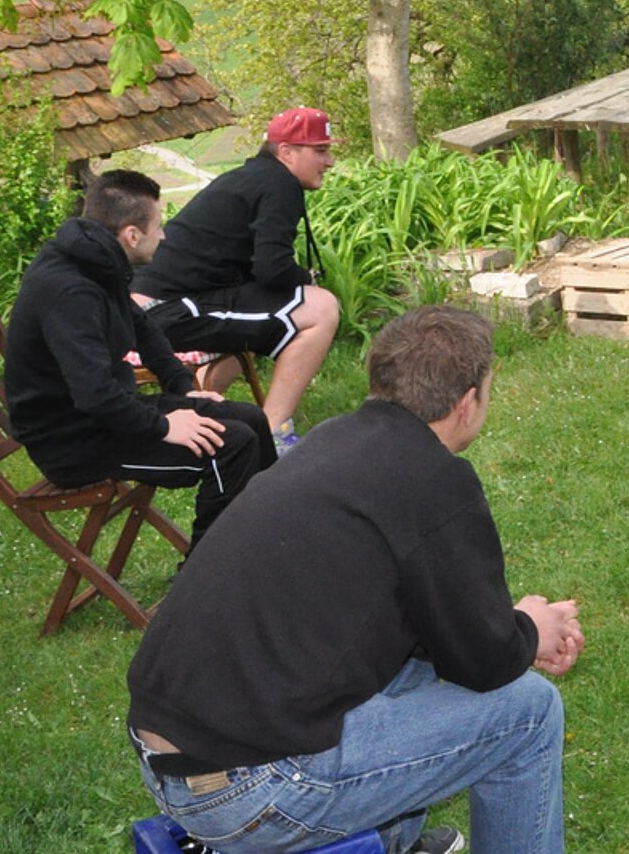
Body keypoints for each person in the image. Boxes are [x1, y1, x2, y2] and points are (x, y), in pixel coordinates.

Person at [126, 305, 582, 854]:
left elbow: (436, 635)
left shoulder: (333, 440)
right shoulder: (434, 480)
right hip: (251, 789)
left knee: (409, 670)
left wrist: (511, 629)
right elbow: (483, 662)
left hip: (170, 758)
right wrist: (528, 630)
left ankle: (393, 843)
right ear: (467, 403)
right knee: (529, 713)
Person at [4, 169, 273, 552]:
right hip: (73, 442)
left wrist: (184, 389)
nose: (163, 236)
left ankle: (271, 538)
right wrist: (163, 426)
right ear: (132, 234)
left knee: (251, 418)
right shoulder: (71, 292)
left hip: (107, 416)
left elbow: (143, 328)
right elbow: (95, 394)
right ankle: (208, 573)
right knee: (232, 445)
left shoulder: (96, 261)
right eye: (158, 226)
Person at [133, 107, 342, 447]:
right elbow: (273, 270)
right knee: (321, 308)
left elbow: (261, 273)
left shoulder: (253, 177)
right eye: (320, 150)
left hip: (149, 311)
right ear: (287, 151)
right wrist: (306, 277)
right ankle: (272, 435)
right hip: (162, 314)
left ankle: (209, 410)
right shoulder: (279, 184)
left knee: (266, 308)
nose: (329, 161)